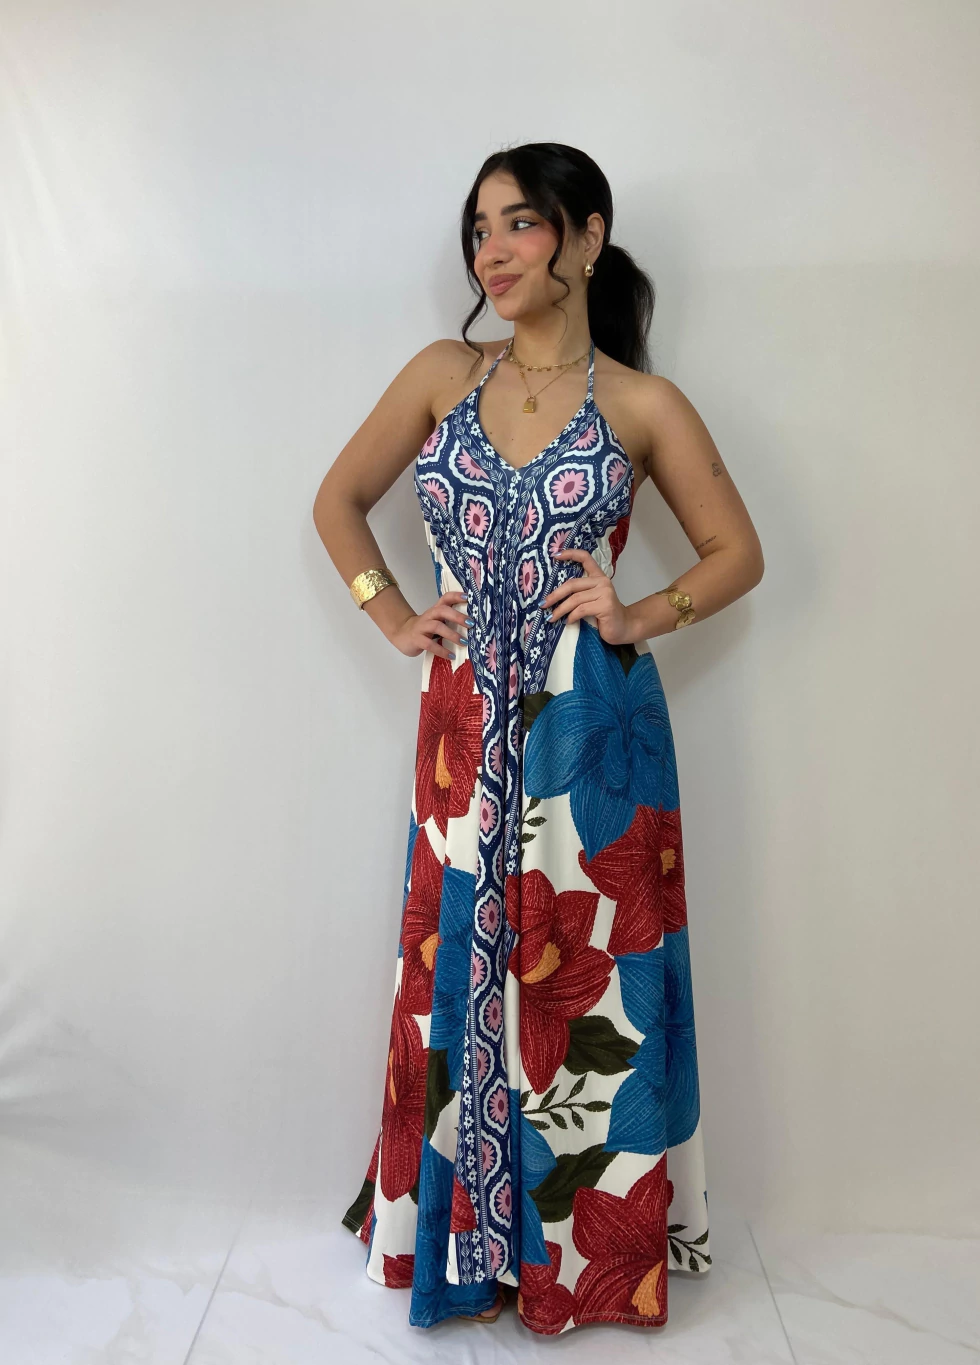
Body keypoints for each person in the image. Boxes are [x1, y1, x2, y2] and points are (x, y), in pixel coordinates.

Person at [312, 141, 764, 1334]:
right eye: (479, 230)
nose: (491, 252)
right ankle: (463, 1245)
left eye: (517, 223)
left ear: (586, 236)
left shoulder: (641, 404)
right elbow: (336, 502)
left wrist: (640, 612)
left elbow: (737, 553)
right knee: (455, 962)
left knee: (589, 983)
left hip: (589, 736)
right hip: (462, 729)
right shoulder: (440, 375)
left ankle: (587, 1259)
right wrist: (393, 615)